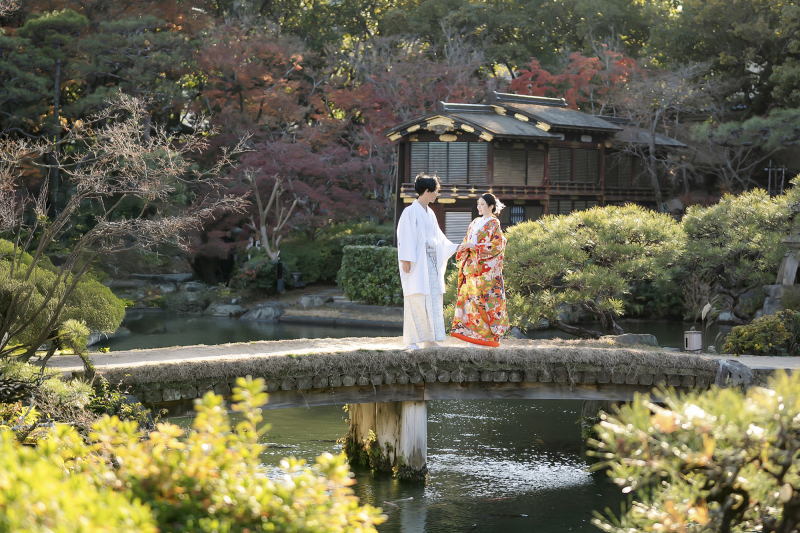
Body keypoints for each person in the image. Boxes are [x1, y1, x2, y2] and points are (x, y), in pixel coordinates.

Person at [397, 174, 467, 350]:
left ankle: (430, 340)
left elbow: (439, 238)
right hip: (417, 263)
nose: (437, 194)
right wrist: (405, 259)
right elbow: (405, 236)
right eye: (435, 191)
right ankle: (412, 341)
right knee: (417, 299)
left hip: (431, 263)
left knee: (433, 299)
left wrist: (456, 247)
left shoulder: (431, 214)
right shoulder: (410, 212)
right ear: (427, 191)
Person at [450, 193, 510, 347]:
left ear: (491, 206)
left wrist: (475, 247)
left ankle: (486, 339)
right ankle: (472, 336)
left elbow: (497, 246)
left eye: (482, 204)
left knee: (485, 305)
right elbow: (467, 240)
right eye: (478, 204)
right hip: (471, 269)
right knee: (471, 303)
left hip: (486, 273)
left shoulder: (494, 224)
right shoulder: (475, 222)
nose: (479, 207)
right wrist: (464, 248)